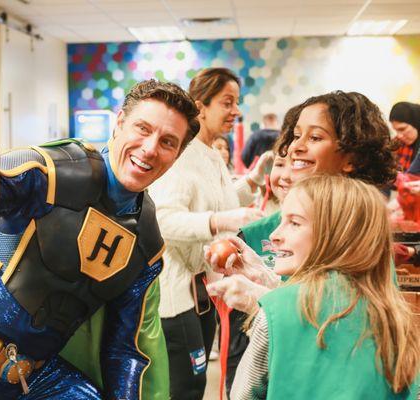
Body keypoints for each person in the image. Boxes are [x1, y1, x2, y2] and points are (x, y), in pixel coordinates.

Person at [0, 79, 200, 399]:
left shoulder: (147, 244)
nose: (150, 148)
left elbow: (124, 352)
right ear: (120, 122)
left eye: (167, 142)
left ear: (176, 155)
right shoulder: (54, 171)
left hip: (35, 373)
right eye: (142, 128)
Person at [209, 91, 398, 392]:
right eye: (297, 135)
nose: (296, 147)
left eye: (315, 137)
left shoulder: (361, 238)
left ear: (352, 157)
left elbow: (340, 334)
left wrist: (265, 308)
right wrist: (266, 283)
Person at [220, 175, 420, 399]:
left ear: (339, 235)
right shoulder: (394, 317)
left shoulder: (273, 313)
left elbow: (244, 395)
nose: (275, 235)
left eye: (294, 223)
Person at [148, 67, 271, 400]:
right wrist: (219, 222)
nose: (236, 111)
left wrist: (255, 180)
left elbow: (219, 200)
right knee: (185, 387)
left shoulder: (209, 152)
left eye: (237, 102)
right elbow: (165, 221)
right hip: (176, 297)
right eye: (227, 102)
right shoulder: (183, 156)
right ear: (200, 107)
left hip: (201, 292)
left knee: (195, 383)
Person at [389, 102, 420, 175]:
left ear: (416, 123)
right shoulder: (396, 143)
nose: (399, 135)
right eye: (396, 130)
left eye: (402, 129)